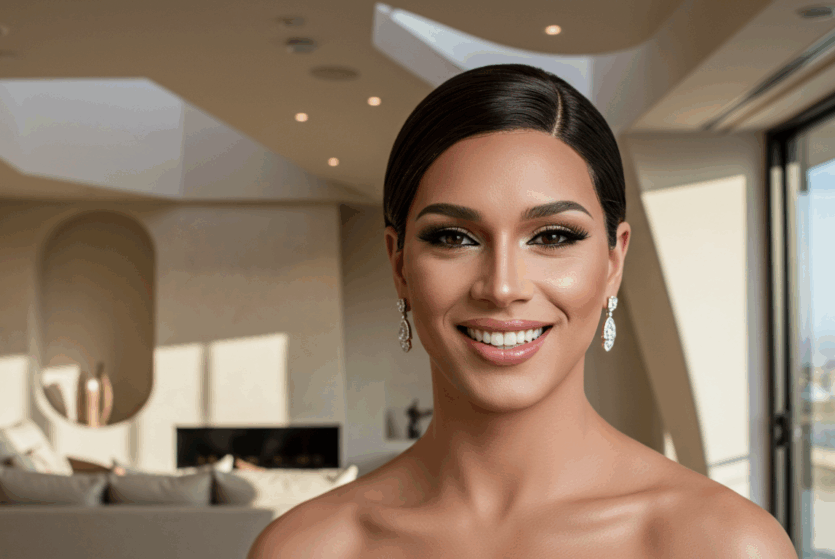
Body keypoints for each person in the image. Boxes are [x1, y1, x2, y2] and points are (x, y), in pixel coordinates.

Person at [247, 64, 797, 558]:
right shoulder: (309, 549)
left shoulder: (723, 545)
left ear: (612, 262)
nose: (502, 287)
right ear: (399, 265)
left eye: (553, 236)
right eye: (455, 237)